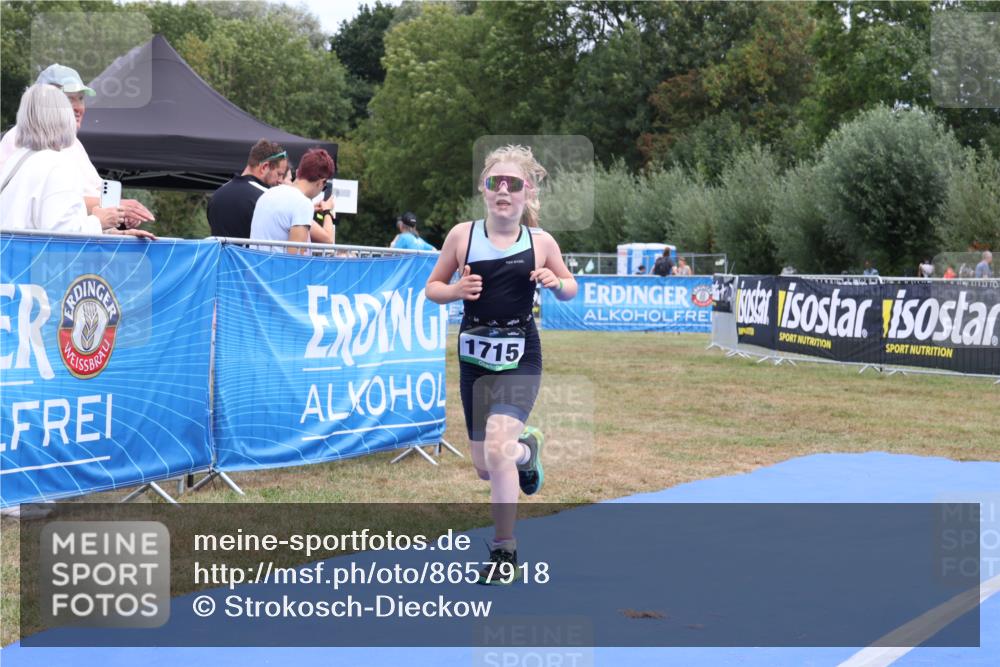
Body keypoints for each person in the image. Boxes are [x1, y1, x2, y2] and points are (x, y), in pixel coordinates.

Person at [426, 145, 577, 585]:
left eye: (514, 184)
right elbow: (431, 287)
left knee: (496, 446)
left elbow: (571, 286)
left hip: (520, 354)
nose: (504, 191)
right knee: (485, 465)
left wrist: (556, 281)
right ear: (483, 190)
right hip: (474, 358)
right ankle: (527, 451)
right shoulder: (462, 236)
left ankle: (504, 551)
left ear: (528, 192)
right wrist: (455, 292)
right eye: (496, 183)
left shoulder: (540, 242)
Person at [0, 64, 154, 228]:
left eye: (80, 98)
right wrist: (100, 220)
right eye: (68, 99)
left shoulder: (70, 146)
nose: (78, 107)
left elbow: (87, 198)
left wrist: (116, 221)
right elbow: (61, 231)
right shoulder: (33, 150)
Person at [249, 148, 334, 253]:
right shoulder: (303, 204)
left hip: (256, 266)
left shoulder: (267, 194)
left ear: (298, 172)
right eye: (324, 187)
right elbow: (295, 258)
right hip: (279, 268)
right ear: (322, 182)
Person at [207, 139, 289, 238]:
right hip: (253, 254)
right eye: (279, 174)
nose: (280, 180)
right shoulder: (268, 197)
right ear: (264, 167)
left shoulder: (217, 195)